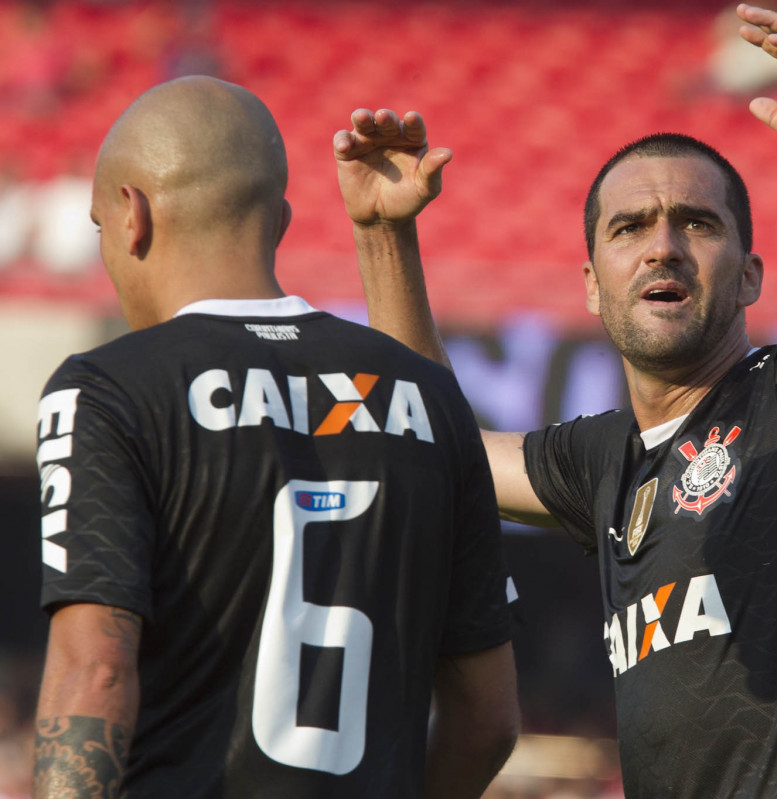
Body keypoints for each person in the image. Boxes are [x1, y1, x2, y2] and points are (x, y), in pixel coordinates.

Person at [335, 4, 777, 797]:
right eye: (630, 227)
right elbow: (440, 451)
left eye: (696, 222)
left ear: (751, 275)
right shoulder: (602, 461)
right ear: (591, 285)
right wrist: (384, 236)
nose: (663, 244)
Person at [33, 76, 518, 798]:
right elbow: (488, 718)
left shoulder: (105, 390)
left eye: (101, 228)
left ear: (132, 216)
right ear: (281, 220)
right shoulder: (430, 396)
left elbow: (95, 673)